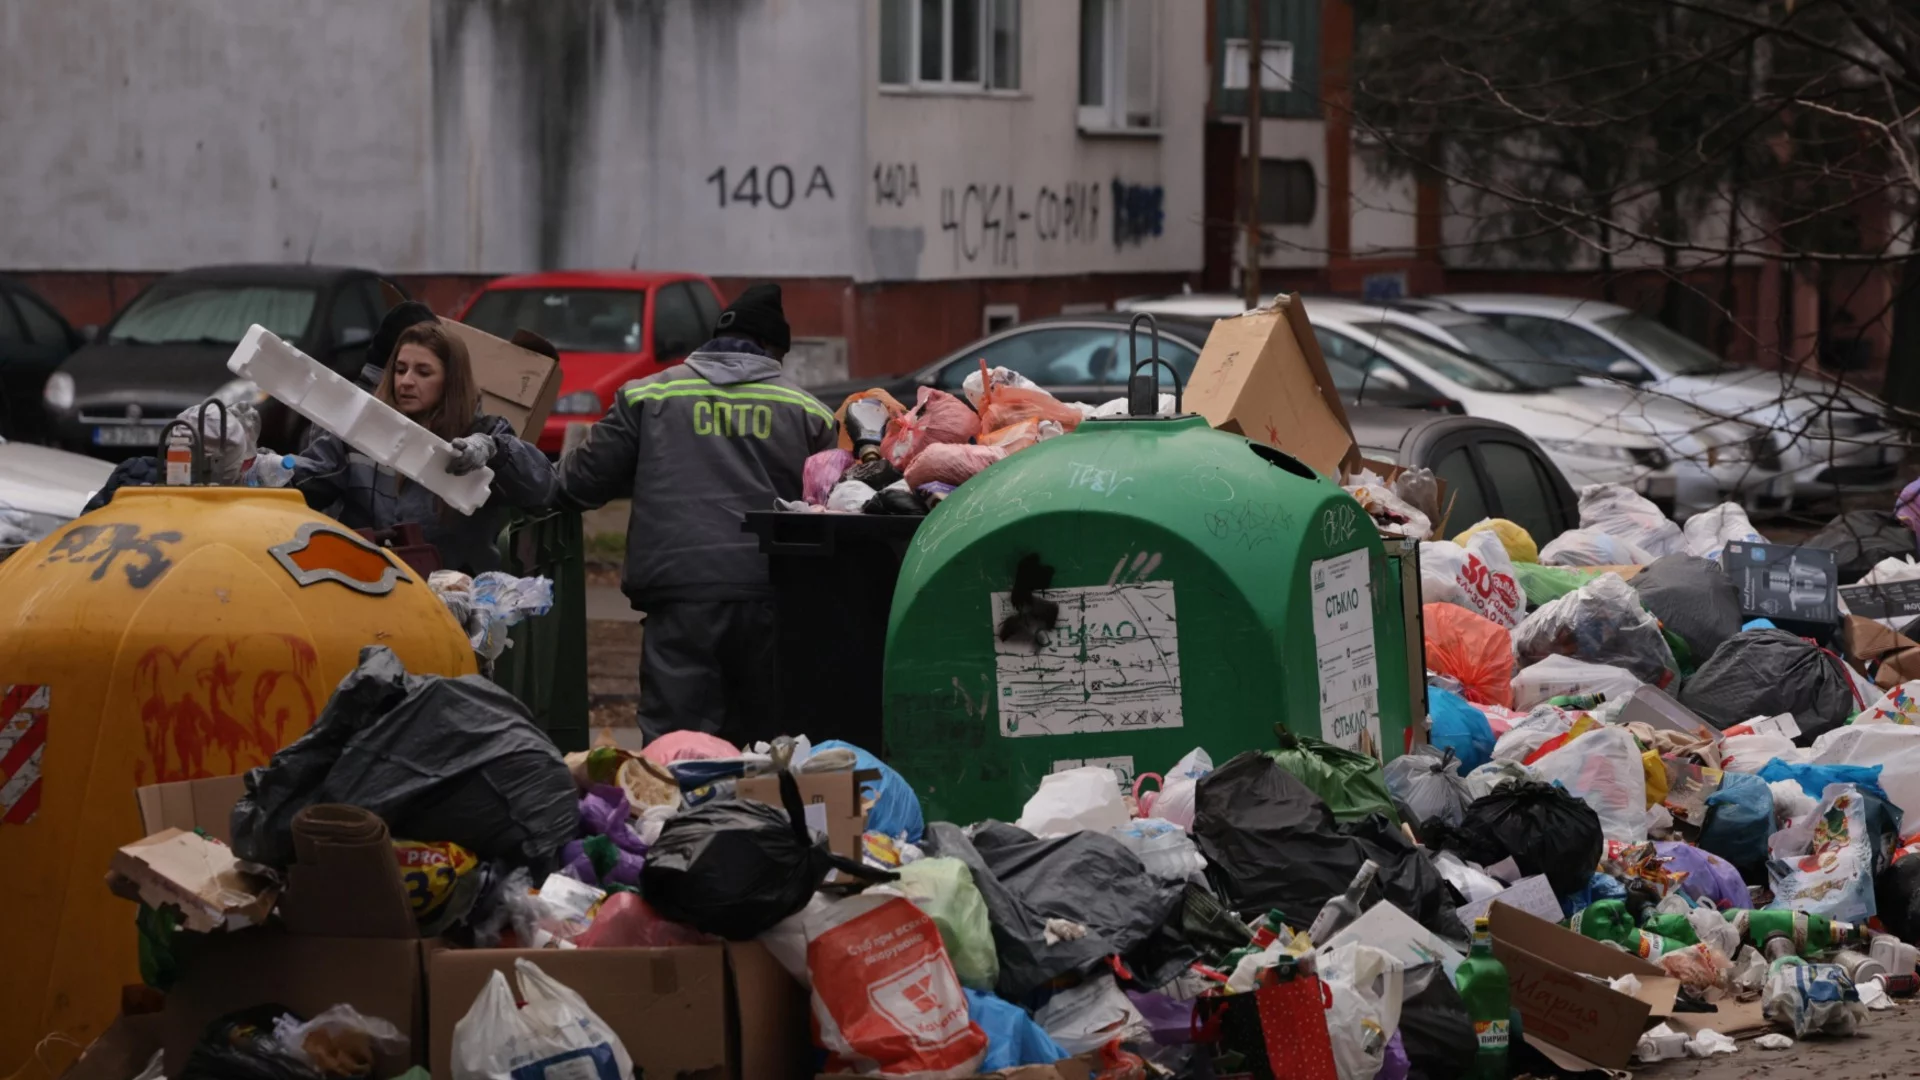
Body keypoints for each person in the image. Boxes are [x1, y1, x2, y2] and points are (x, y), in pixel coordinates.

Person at [556, 283, 835, 743]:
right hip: (772, 599)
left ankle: (677, 817)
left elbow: (579, 483)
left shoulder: (645, 396)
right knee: (765, 749)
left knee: (676, 745)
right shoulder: (810, 413)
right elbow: (832, 505)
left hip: (679, 596)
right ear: (770, 348)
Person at [292, 319, 555, 574]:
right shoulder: (362, 429)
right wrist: (267, 466)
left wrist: (493, 451)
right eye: (400, 369)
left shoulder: (484, 432)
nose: (405, 381)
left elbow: (541, 487)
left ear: (451, 381)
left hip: (456, 595)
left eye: (423, 372)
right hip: (368, 583)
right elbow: (313, 477)